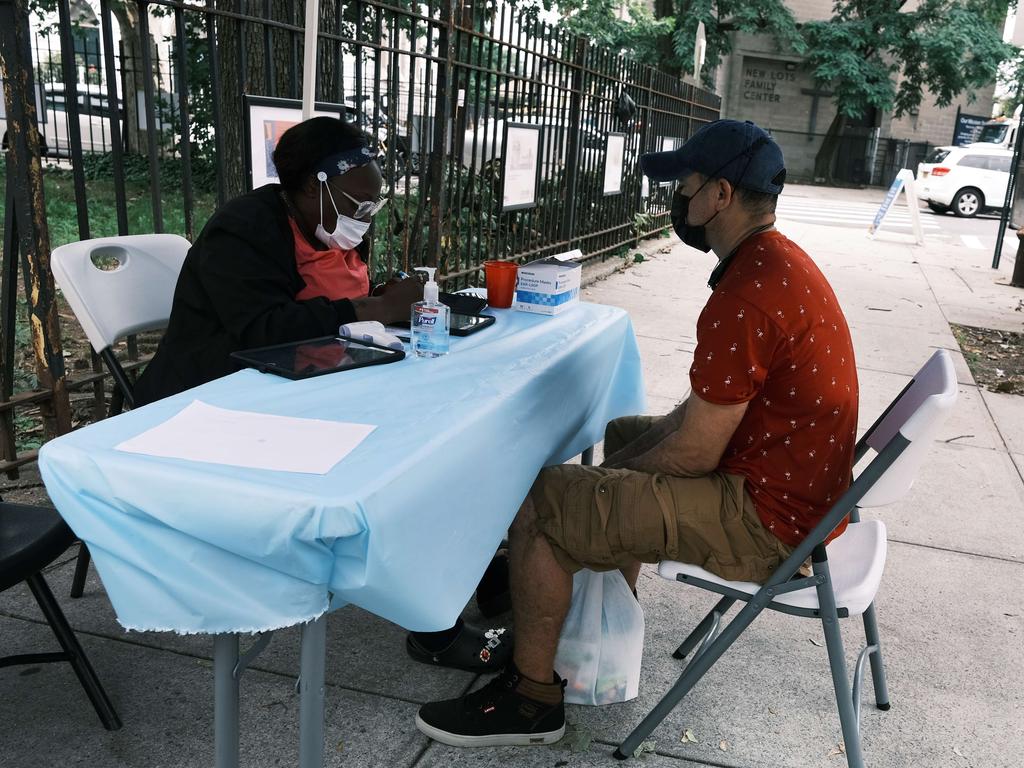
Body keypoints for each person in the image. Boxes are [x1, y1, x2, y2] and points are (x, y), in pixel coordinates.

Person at [415, 119, 860, 746]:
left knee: (543, 503)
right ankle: (598, 642)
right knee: (624, 435)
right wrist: (614, 474)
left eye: (686, 182)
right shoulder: (774, 260)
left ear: (721, 196)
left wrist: (599, 484)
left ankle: (531, 701)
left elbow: (698, 449)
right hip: (796, 496)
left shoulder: (748, 293)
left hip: (766, 521)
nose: (676, 195)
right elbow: (706, 416)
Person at [134, 116, 512, 672]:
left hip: (298, 388)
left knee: (447, 436)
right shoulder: (244, 230)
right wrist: (376, 310)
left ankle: (475, 566)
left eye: (373, 205)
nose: (366, 217)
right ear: (314, 185)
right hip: (218, 403)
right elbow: (262, 331)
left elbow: (335, 305)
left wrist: (381, 302)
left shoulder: (325, 225)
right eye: (359, 204)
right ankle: (434, 627)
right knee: (403, 466)